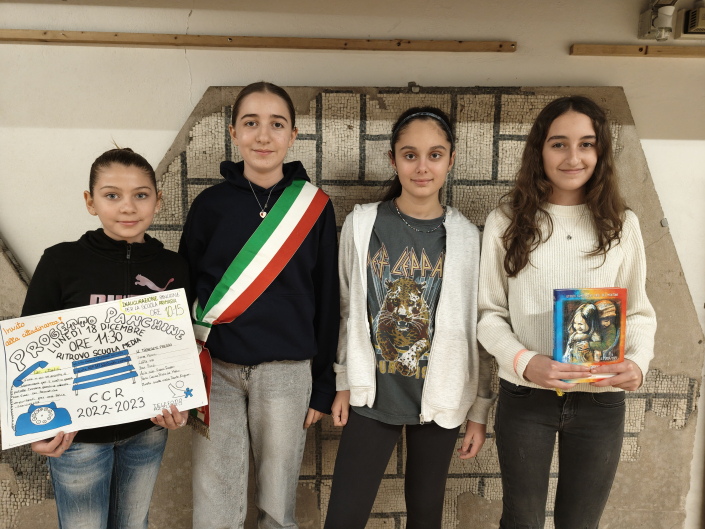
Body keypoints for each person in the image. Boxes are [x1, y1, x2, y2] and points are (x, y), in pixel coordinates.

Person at [477, 95, 657, 529]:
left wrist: (637, 363)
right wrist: (525, 361)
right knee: (521, 521)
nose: (573, 157)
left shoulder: (622, 224)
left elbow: (638, 313)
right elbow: (488, 314)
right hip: (526, 397)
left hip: (601, 401)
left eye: (586, 144)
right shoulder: (505, 221)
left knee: (580, 523)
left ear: (601, 151)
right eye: (559, 144)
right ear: (539, 150)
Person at [178, 81, 339, 529]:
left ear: (293, 134)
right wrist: (178, 375)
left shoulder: (315, 207)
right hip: (216, 372)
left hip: (287, 373)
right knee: (214, 501)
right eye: (251, 123)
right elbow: (184, 293)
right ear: (234, 132)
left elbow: (328, 300)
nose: (263, 136)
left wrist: (323, 384)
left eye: (276, 124)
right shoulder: (209, 205)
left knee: (277, 504)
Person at [325, 107, 495, 529]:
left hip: (441, 397)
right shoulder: (362, 224)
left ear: (450, 160)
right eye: (410, 155)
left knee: (426, 513)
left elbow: (478, 329)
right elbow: (346, 307)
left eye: (435, 155)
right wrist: (342, 380)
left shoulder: (468, 238)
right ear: (393, 159)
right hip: (372, 395)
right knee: (344, 515)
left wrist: (479, 409)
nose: (422, 167)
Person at [23, 147, 191, 529]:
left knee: (133, 524)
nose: (127, 207)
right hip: (76, 437)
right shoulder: (60, 262)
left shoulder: (175, 267)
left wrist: (180, 405)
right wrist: (35, 424)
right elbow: (31, 351)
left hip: (146, 432)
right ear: (90, 202)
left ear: (158, 201)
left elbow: (178, 350)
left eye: (141, 195)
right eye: (112, 195)